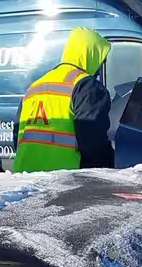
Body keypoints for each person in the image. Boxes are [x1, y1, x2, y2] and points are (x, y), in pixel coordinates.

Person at [12, 28, 114, 173]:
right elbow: (93, 144)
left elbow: (17, 137)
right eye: (102, 59)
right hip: (64, 183)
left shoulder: (35, 87)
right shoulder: (86, 87)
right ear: (91, 55)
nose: (100, 67)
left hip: (24, 181)